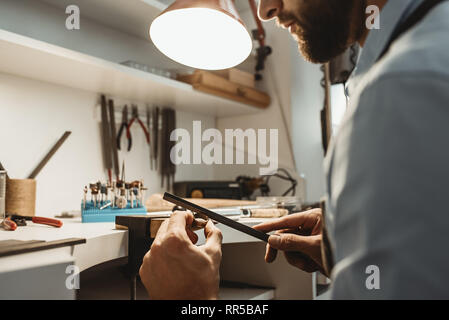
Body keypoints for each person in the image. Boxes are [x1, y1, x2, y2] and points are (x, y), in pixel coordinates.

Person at [139, 0, 449, 299]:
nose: (265, 9)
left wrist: (191, 300)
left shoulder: (403, 86)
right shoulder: (427, 48)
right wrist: (345, 248)